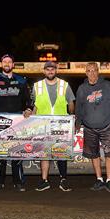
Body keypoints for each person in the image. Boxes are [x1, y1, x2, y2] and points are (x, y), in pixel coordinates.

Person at [75, 62, 110, 193]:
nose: (92, 73)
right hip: (89, 128)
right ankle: (99, 179)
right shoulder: (82, 88)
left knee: (109, 154)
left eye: (94, 70)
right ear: (86, 73)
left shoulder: (107, 86)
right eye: (89, 71)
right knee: (94, 155)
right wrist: (78, 123)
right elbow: (79, 107)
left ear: (98, 71)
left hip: (107, 127)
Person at [0, 54, 32, 192]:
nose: (7, 64)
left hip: (17, 120)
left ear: (13, 64)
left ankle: (18, 181)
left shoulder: (21, 80)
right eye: (4, 62)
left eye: (9, 61)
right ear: (1, 64)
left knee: (17, 151)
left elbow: (28, 99)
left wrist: (28, 109)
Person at [32, 61, 75, 192]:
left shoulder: (64, 85)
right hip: (42, 125)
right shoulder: (37, 86)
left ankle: (63, 179)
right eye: (48, 69)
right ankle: (44, 180)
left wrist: (70, 116)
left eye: (52, 69)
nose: (50, 71)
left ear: (56, 70)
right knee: (44, 153)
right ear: (44, 71)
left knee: (61, 152)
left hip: (60, 125)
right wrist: (32, 120)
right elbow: (34, 105)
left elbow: (71, 102)